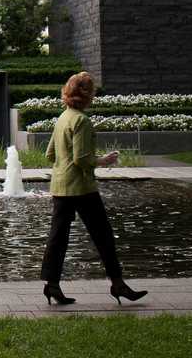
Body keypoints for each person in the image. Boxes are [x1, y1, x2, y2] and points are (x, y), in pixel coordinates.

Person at [40, 71, 147, 305]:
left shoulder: (63, 118)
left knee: (58, 237)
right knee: (103, 236)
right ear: (88, 95)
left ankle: (52, 285)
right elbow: (81, 159)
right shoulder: (81, 120)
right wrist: (103, 161)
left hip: (60, 186)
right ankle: (118, 284)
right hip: (81, 188)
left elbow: (50, 154)